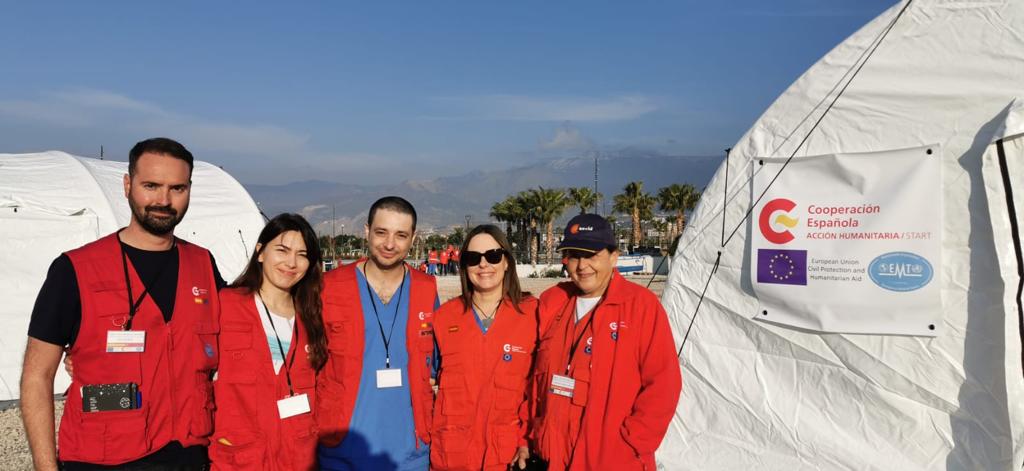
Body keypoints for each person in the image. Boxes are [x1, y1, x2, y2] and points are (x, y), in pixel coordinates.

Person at [21, 138, 224, 470]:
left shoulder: (203, 265)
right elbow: (36, 376)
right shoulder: (75, 270)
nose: (163, 200)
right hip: (102, 458)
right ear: (128, 185)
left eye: (177, 188)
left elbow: (247, 330)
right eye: (151, 185)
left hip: (189, 453)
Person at [530, 214, 681, 470]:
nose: (581, 265)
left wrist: (631, 444)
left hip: (611, 458)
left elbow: (664, 385)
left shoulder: (641, 307)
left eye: (591, 255)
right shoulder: (552, 302)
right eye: (574, 255)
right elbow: (531, 377)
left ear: (614, 256)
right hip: (552, 456)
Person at [317, 196, 439, 471]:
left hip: (410, 453)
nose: (389, 244)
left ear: (413, 238)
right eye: (381, 232)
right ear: (366, 231)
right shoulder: (330, 287)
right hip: (342, 451)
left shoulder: (426, 288)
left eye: (401, 235)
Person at [210, 213, 326, 470]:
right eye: (282, 250)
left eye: (303, 255)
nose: (291, 262)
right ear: (260, 252)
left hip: (298, 458)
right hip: (237, 458)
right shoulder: (225, 305)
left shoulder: (313, 318)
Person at [430, 225, 536, 470]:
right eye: (472, 258)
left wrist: (526, 439)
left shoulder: (533, 314)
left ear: (507, 262)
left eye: (493, 256)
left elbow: (539, 391)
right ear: (464, 266)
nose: (483, 265)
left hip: (507, 456)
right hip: (452, 456)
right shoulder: (444, 318)